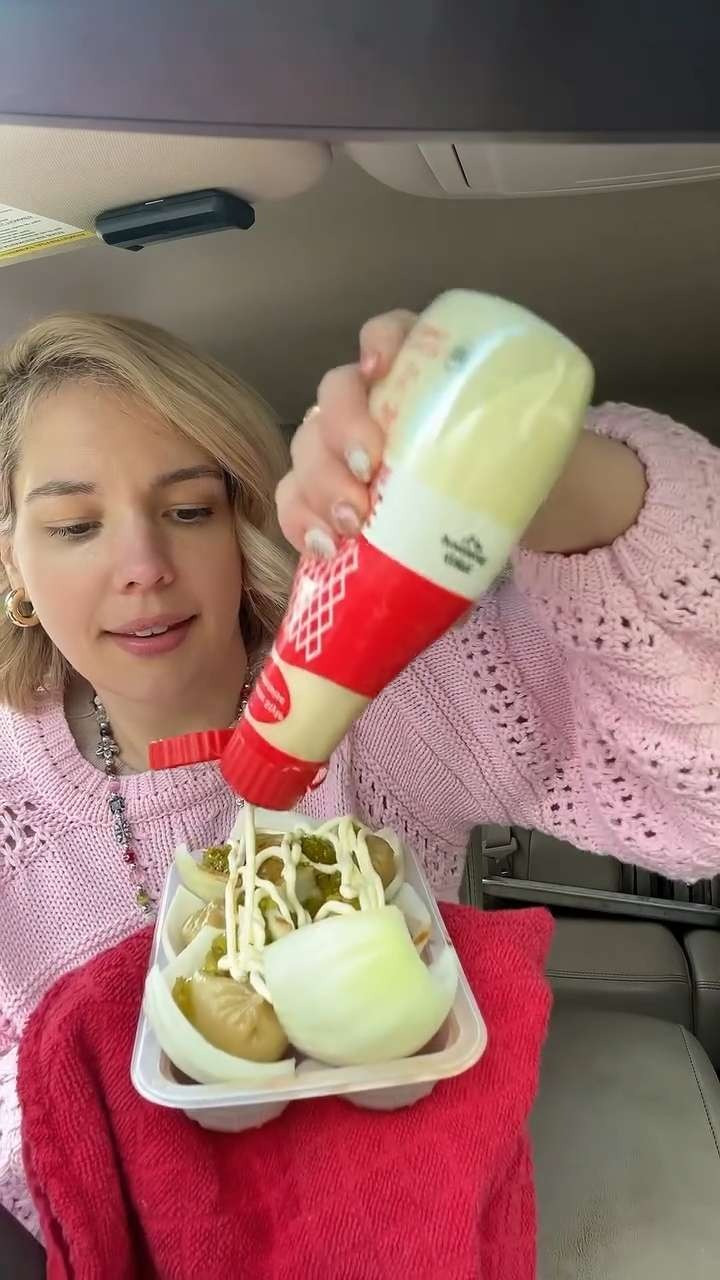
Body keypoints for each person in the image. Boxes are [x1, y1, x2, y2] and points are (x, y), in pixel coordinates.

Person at [0, 307, 718, 1242]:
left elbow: (700, 792)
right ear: (11, 559)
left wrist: (544, 479)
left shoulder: (395, 694)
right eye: (73, 525)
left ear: (244, 527)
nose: (142, 565)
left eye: (188, 510)